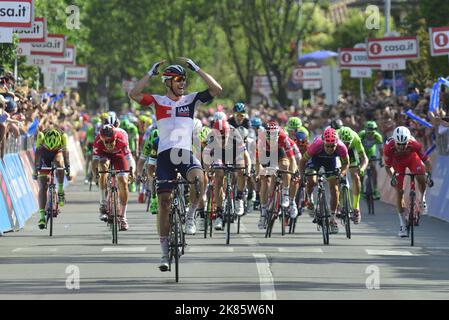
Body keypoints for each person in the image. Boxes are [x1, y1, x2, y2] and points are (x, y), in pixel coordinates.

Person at [129, 58, 222, 271]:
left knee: (199, 180)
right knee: (163, 202)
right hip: (164, 156)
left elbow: (216, 89)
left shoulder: (191, 100)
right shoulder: (158, 101)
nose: (183, 83)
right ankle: (163, 253)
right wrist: (149, 73)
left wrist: (196, 68)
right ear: (168, 82)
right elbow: (133, 94)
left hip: (184, 153)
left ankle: (190, 217)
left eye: (184, 80)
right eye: (179, 79)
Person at [383, 126, 432, 237]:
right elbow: (387, 167)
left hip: (412, 159)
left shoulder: (414, 144)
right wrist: (393, 177)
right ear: (395, 141)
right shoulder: (388, 147)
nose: (401, 147)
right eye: (398, 144)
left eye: (403, 144)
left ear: (408, 141)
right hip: (398, 163)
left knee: (421, 177)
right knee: (399, 192)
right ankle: (402, 224)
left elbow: (427, 162)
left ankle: (422, 198)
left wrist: (428, 175)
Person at [299, 127, 349, 234]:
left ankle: (332, 219)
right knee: (311, 180)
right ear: (324, 143)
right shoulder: (316, 145)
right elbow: (303, 161)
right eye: (328, 146)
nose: (330, 149)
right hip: (315, 159)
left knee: (334, 188)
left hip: (331, 162)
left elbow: (346, 163)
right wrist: (302, 175)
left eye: (333, 146)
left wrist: (342, 174)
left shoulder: (341, 147)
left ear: (337, 144)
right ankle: (310, 199)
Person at [203, 120, 251, 230]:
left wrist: (247, 170)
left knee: (240, 169)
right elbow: (205, 158)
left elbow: (246, 155)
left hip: (235, 153)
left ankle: (239, 198)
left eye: (224, 136)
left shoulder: (236, 135)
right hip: (218, 154)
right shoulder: (210, 138)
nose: (222, 139)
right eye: (219, 137)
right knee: (218, 175)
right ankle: (219, 214)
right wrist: (208, 171)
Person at [92, 124, 135, 231]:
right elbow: (94, 162)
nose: (110, 144)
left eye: (112, 141)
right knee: (102, 169)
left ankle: (123, 217)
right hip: (104, 156)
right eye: (106, 142)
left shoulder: (121, 138)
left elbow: (130, 159)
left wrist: (132, 172)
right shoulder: (98, 141)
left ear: (115, 137)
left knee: (123, 182)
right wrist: (95, 175)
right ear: (102, 140)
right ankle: (103, 203)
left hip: (119, 155)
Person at [33, 128, 71, 229]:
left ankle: (61, 190)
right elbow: (37, 155)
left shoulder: (63, 137)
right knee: (43, 185)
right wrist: (35, 170)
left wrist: (68, 168)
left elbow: (66, 154)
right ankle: (41, 216)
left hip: (57, 153)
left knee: (59, 163)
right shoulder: (41, 136)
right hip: (44, 155)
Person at [336, 126, 368, 224]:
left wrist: (362, 169)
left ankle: (356, 207)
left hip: (350, 153)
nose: (346, 144)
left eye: (348, 143)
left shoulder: (355, 138)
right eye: (344, 142)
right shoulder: (335, 136)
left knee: (356, 176)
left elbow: (364, 158)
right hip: (337, 151)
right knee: (336, 176)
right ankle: (337, 204)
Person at [358, 121, 383, 200]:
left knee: (373, 167)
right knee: (362, 170)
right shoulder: (361, 134)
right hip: (362, 151)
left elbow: (381, 150)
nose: (370, 135)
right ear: (365, 130)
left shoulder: (378, 136)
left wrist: (382, 159)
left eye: (372, 134)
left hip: (371, 151)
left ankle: (375, 189)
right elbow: (357, 146)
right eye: (368, 133)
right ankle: (361, 189)